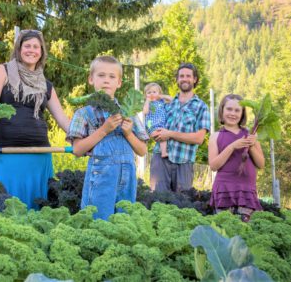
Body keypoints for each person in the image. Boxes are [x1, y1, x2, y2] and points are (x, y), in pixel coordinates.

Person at [0, 29, 70, 210]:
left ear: (42, 52)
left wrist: (82, 139)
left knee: (35, 210)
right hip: (6, 152)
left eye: (36, 47)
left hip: (39, 156)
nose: (31, 50)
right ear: (19, 49)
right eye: (27, 46)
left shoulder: (46, 84)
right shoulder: (2, 71)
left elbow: (62, 119)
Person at [67, 56, 149, 220]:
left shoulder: (130, 114)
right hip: (101, 180)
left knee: (124, 224)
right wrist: (104, 130)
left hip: (127, 179)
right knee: (97, 221)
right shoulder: (84, 113)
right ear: (91, 79)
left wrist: (128, 133)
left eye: (112, 77)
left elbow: (142, 150)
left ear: (119, 82)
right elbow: (77, 150)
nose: (106, 81)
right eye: (101, 75)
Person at [150, 63, 210, 192]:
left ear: (194, 79)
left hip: (184, 163)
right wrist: (153, 132)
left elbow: (199, 138)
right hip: (160, 159)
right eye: (181, 76)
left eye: (188, 76)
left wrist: (170, 134)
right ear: (177, 80)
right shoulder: (167, 103)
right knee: (156, 202)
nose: (184, 79)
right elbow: (154, 123)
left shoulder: (201, 106)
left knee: (181, 204)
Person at [209, 94, 264, 222]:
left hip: (246, 191)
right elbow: (213, 166)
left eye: (237, 110)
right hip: (224, 190)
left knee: (245, 231)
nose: (232, 113)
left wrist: (250, 145)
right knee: (225, 229)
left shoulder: (250, 135)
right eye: (229, 109)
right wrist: (232, 146)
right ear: (222, 110)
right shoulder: (215, 136)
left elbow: (261, 164)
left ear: (242, 114)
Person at [142, 82, 173, 158]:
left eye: (154, 92)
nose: (152, 94)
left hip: (162, 125)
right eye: (149, 92)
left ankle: (163, 153)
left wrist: (161, 96)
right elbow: (145, 112)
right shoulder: (147, 104)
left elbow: (172, 100)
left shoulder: (162, 101)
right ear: (145, 95)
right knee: (159, 135)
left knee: (163, 138)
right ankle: (149, 136)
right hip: (152, 124)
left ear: (159, 93)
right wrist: (147, 101)